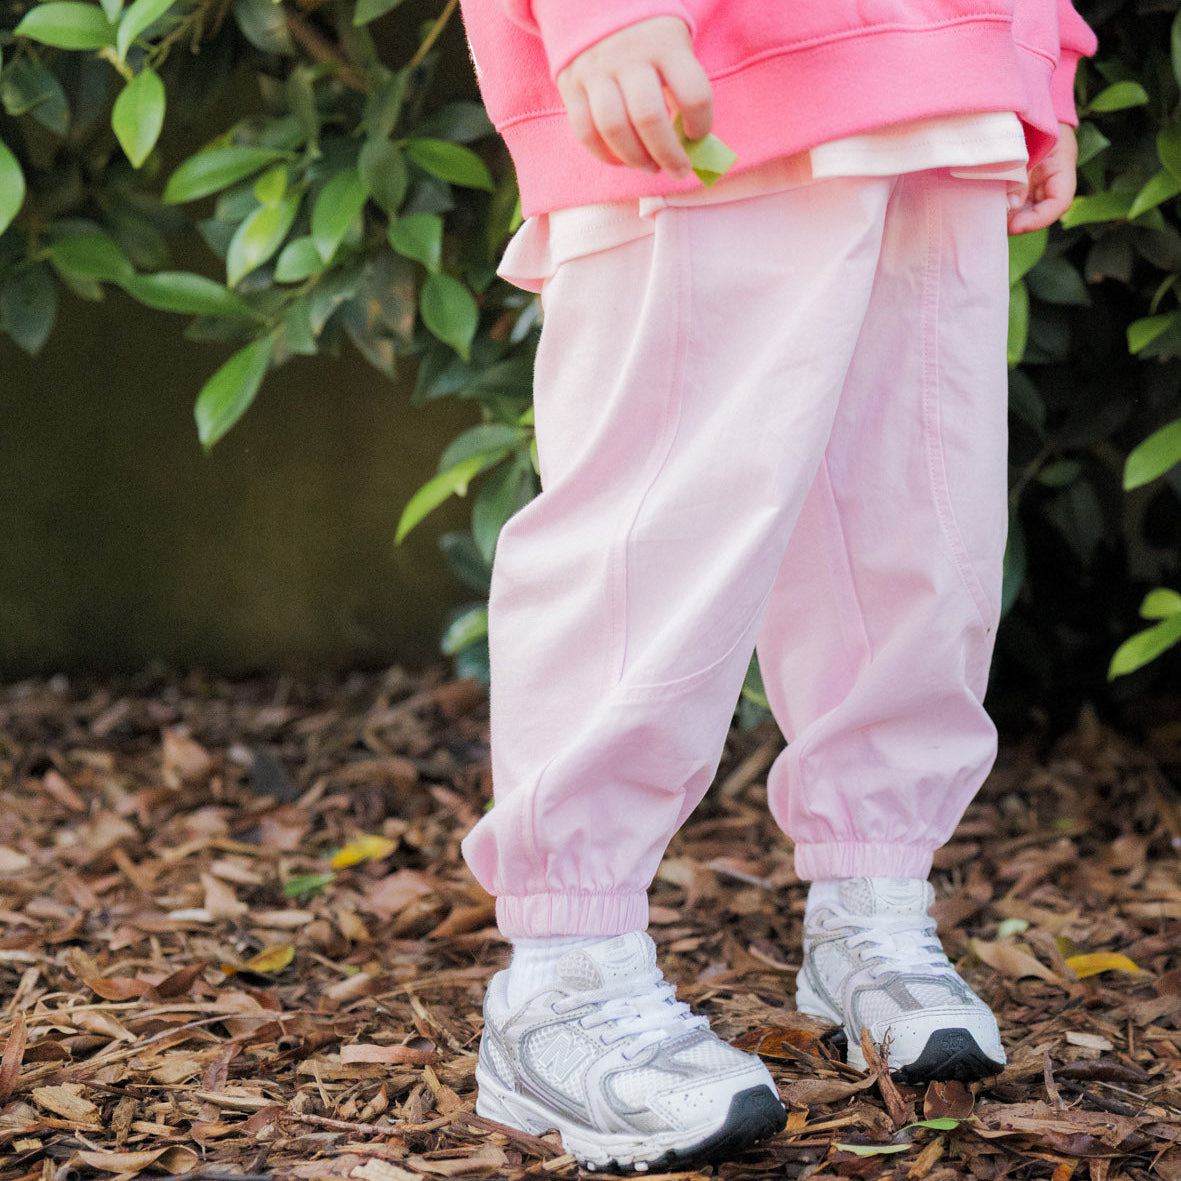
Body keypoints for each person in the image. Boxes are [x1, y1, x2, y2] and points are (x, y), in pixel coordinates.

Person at [454, 0, 1097, 1171]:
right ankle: (564, 975)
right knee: (657, 518)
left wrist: (1032, 45)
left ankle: (872, 900)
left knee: (914, 513)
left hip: (939, 56)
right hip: (697, 64)